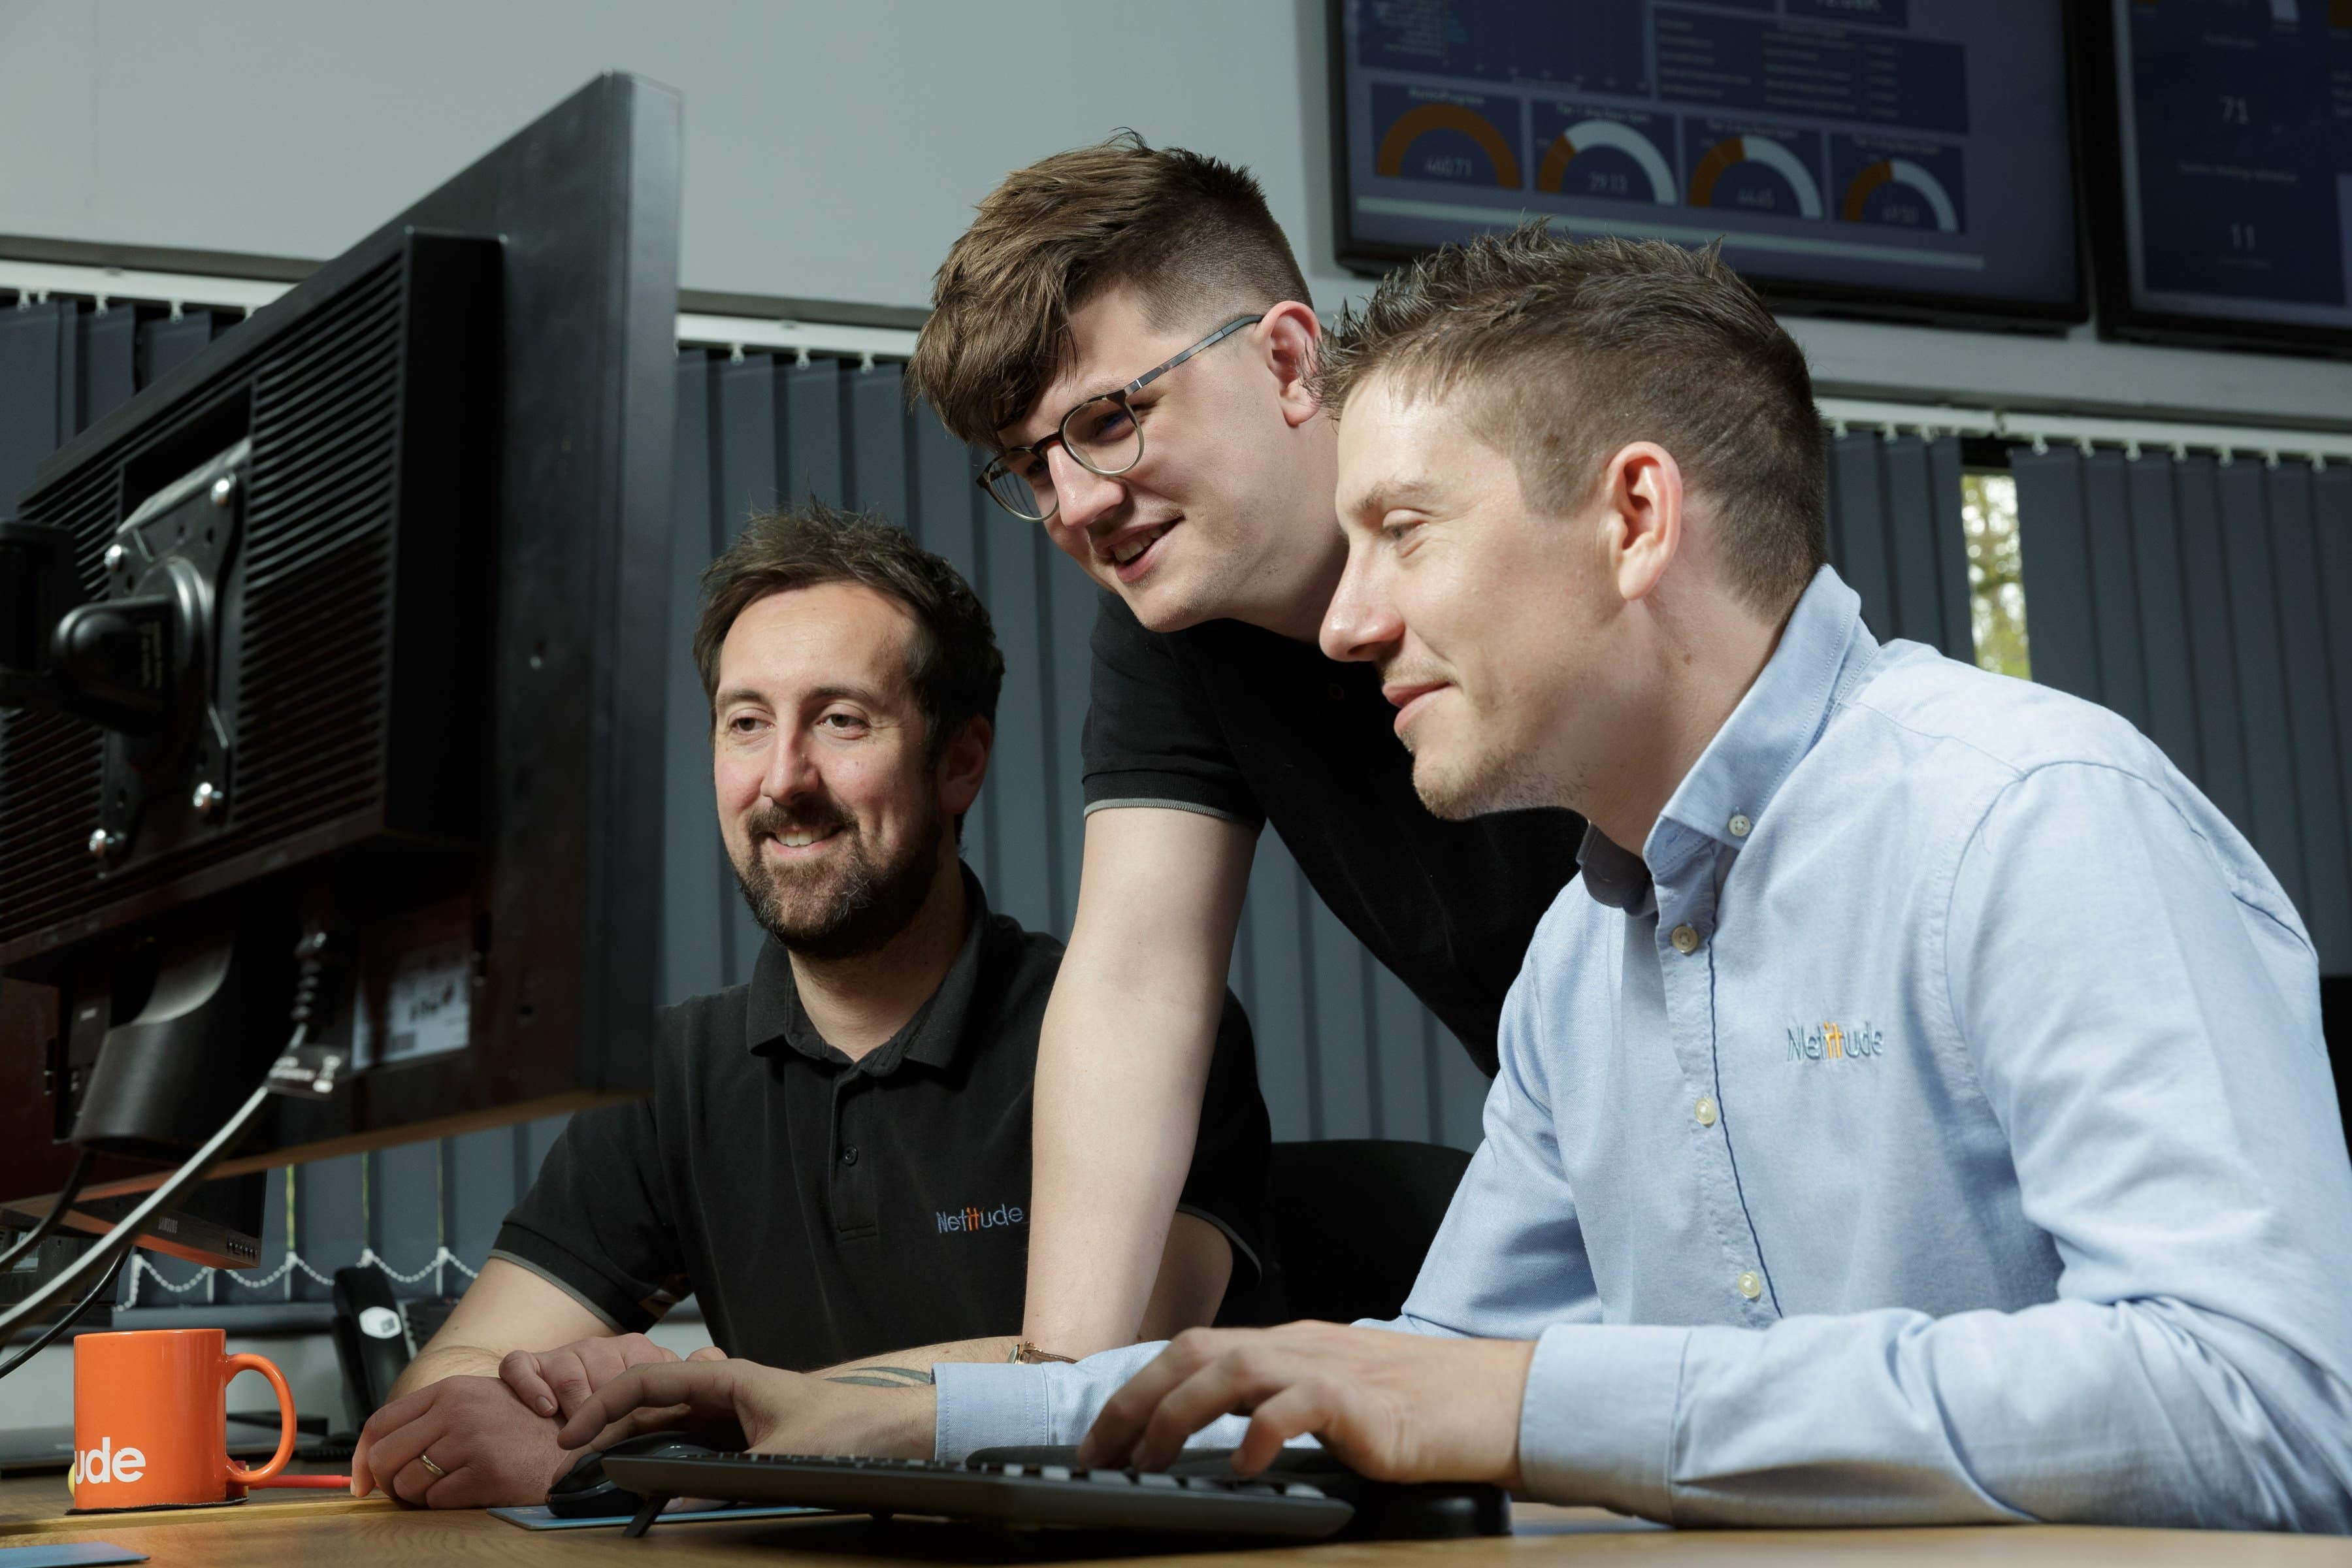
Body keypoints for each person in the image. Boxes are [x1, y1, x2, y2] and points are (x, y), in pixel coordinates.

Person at [555, 232, 2352, 1531]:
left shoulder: (2032, 823)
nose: (1344, 620)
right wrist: (873, 1424)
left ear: (1635, 519)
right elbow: (1377, 1382)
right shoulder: (1589, 955)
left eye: (1402, 532)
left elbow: (2268, 1407)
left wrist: (1523, 1400)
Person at [348, 504, 1271, 1508]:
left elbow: (1106, 1372)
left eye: (841, 720)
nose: (783, 780)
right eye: (746, 723)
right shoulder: (678, 1075)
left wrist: (689, 1420)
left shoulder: (1139, 1033)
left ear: (961, 760)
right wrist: (600, 1413)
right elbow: (444, 1388)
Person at [904, 135, 1585, 1358]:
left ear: (1286, 358)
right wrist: (1057, 1412)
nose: (1076, 506)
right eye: (1029, 468)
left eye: (1110, 419)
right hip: (1586, 1170)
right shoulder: (1173, 622)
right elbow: (1133, 985)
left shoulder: (1516, 494)